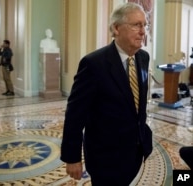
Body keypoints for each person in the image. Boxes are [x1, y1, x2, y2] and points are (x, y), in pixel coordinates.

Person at [60, 2, 153, 185]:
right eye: (136, 25)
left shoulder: (143, 57)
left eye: (144, 25)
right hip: (106, 156)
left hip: (135, 149)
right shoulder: (94, 64)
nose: (143, 31)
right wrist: (72, 157)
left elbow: (137, 104)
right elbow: (75, 114)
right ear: (116, 28)